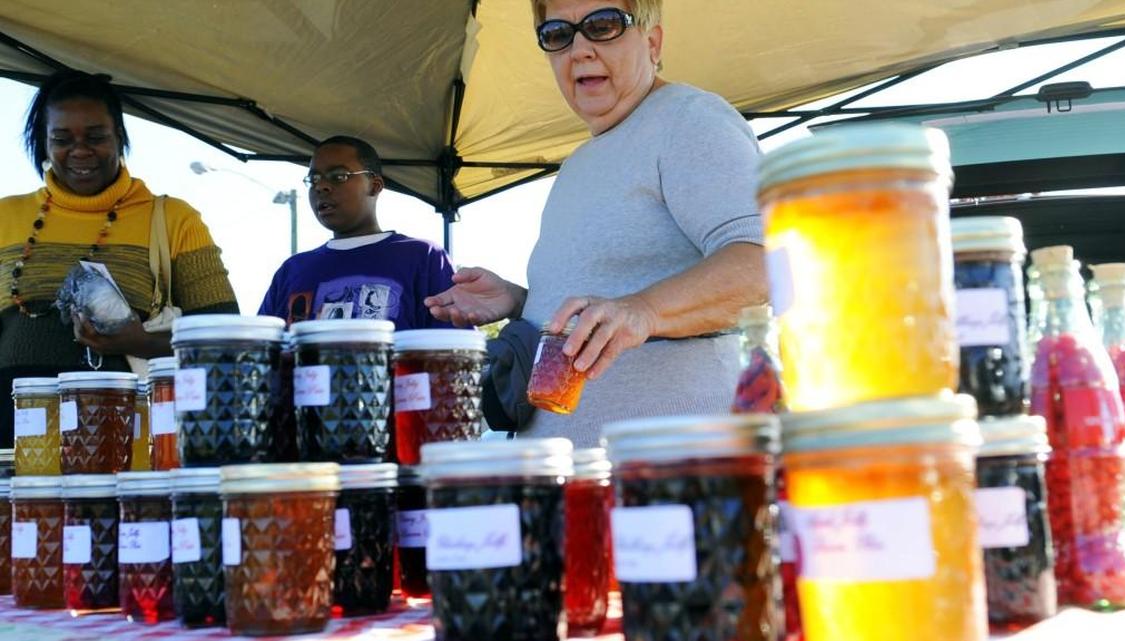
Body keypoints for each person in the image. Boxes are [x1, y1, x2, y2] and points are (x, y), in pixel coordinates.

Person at [426, 0, 768, 447]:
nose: (580, 49)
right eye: (557, 34)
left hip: (676, 467)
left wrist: (644, 311)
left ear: (653, 42)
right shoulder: (579, 162)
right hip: (578, 475)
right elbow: (607, 302)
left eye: (603, 25)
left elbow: (764, 264)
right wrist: (521, 301)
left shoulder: (689, 120)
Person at [0, 70, 239, 447]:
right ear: (44, 143)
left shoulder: (174, 220)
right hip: (14, 435)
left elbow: (225, 338)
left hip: (125, 438)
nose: (80, 151)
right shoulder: (6, 217)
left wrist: (141, 342)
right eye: (62, 139)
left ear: (120, 136)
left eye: (96, 137)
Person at [258, 136, 459, 330]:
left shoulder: (423, 257)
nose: (321, 186)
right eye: (314, 179)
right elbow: (260, 346)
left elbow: (453, 346)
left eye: (339, 176)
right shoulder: (292, 270)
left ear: (374, 186)